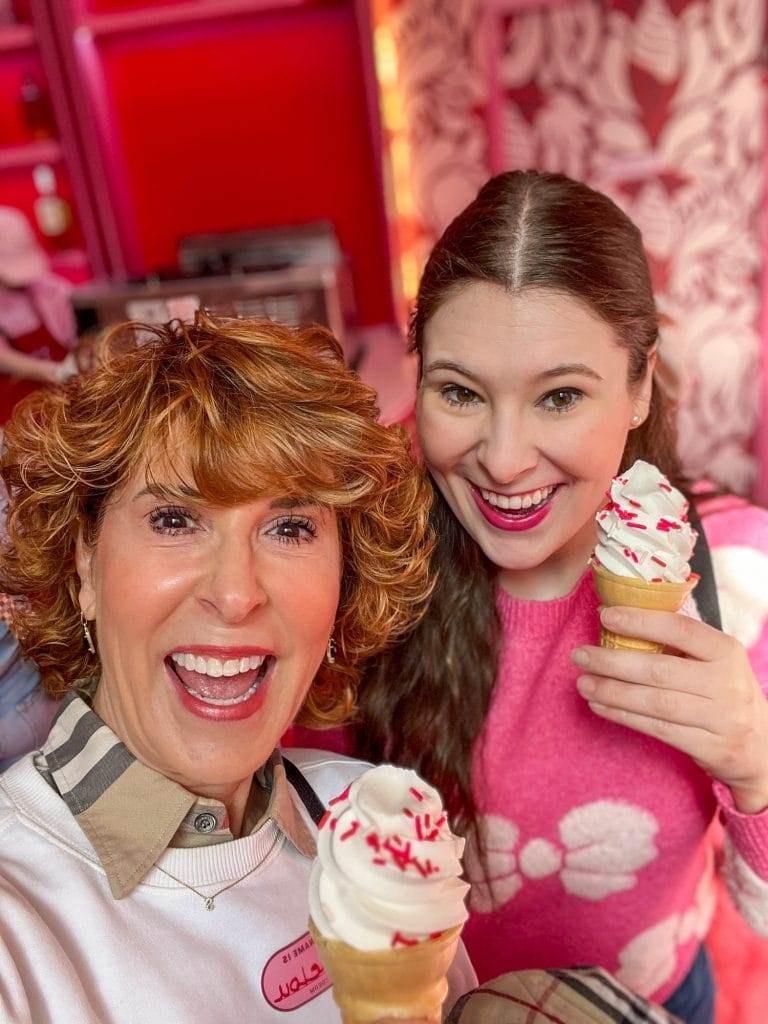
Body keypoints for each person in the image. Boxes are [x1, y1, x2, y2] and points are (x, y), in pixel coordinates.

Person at [348, 171, 768, 1024]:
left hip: (655, 998)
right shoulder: (367, 556)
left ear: (640, 385)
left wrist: (758, 769)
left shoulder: (737, 573)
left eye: (561, 396)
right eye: (460, 392)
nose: (504, 460)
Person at [0, 312, 476, 1023]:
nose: (235, 593)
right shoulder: (16, 920)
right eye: (174, 520)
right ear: (84, 564)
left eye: (289, 527)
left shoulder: (374, 819)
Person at [0, 206, 77, 420]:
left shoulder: (47, 289)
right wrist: (48, 370)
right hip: (13, 421)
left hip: (61, 409)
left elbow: (70, 336)